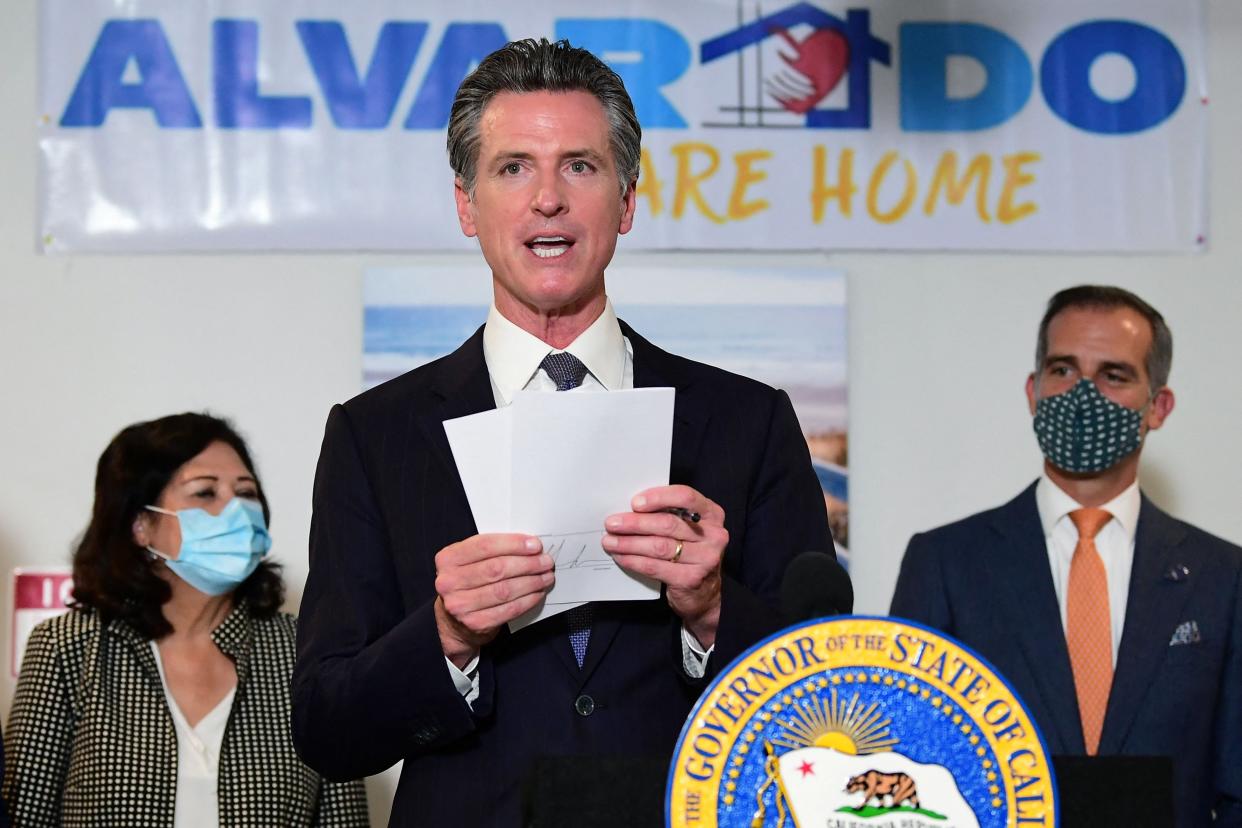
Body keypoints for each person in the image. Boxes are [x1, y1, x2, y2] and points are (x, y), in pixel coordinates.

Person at [292, 38, 832, 826]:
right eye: (513, 167)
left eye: (580, 165)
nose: (548, 198)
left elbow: (831, 700)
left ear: (627, 200)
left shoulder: (747, 421)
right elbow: (326, 727)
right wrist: (445, 636)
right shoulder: (375, 437)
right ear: (466, 205)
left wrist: (714, 612)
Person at [890, 286, 1242, 827]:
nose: (1083, 394)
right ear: (1034, 392)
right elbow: (907, 766)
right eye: (1063, 371)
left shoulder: (1225, 577)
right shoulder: (945, 563)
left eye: (1114, 376)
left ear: (1159, 406)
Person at [3, 413, 369, 827]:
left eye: (246, 493)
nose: (236, 510)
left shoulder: (303, 650)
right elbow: (22, 816)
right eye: (206, 493)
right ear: (141, 524)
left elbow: (344, 819)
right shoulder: (68, 647)